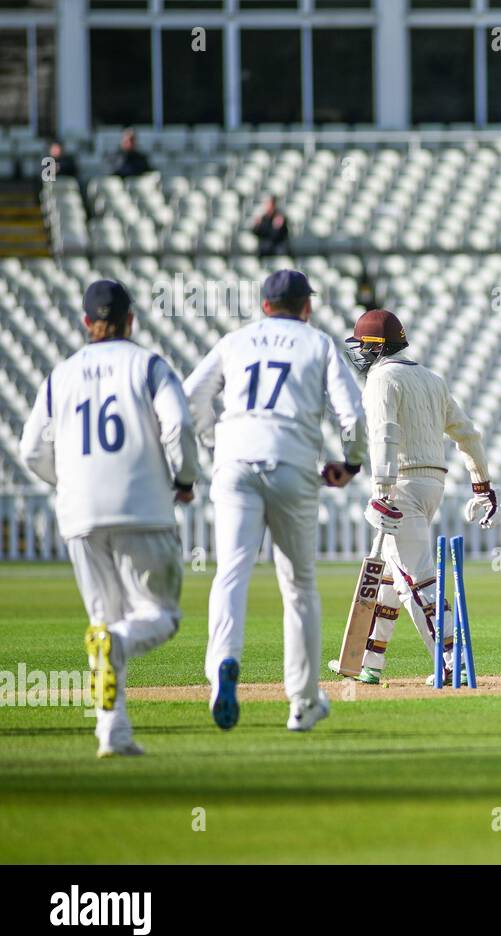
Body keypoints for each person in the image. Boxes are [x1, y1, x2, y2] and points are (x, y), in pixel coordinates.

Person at [18, 279, 198, 757]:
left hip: (79, 514)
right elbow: (178, 424)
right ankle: (118, 654)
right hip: (143, 507)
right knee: (160, 616)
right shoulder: (148, 365)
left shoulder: (61, 375)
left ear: (84, 322)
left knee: (103, 621)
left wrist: (69, 481)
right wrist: (184, 479)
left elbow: (31, 449)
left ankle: (112, 732)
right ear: (131, 320)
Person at [184, 269, 366, 732]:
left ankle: (222, 663)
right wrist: (351, 463)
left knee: (231, 572)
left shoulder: (236, 340)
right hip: (292, 461)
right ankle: (302, 701)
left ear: (265, 305)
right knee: (299, 587)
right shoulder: (318, 343)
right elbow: (352, 414)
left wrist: (214, 441)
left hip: (236, 462)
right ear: (306, 306)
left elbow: (190, 398)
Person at [327, 308, 499, 686]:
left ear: (377, 346)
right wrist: (481, 483)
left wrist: (380, 491)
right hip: (432, 484)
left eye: (363, 346)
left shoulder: (381, 378)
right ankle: (370, 661)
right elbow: (468, 434)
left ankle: (455, 661)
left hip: (401, 485)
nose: (359, 354)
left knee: (417, 579)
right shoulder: (432, 379)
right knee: (391, 577)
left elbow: (384, 434)